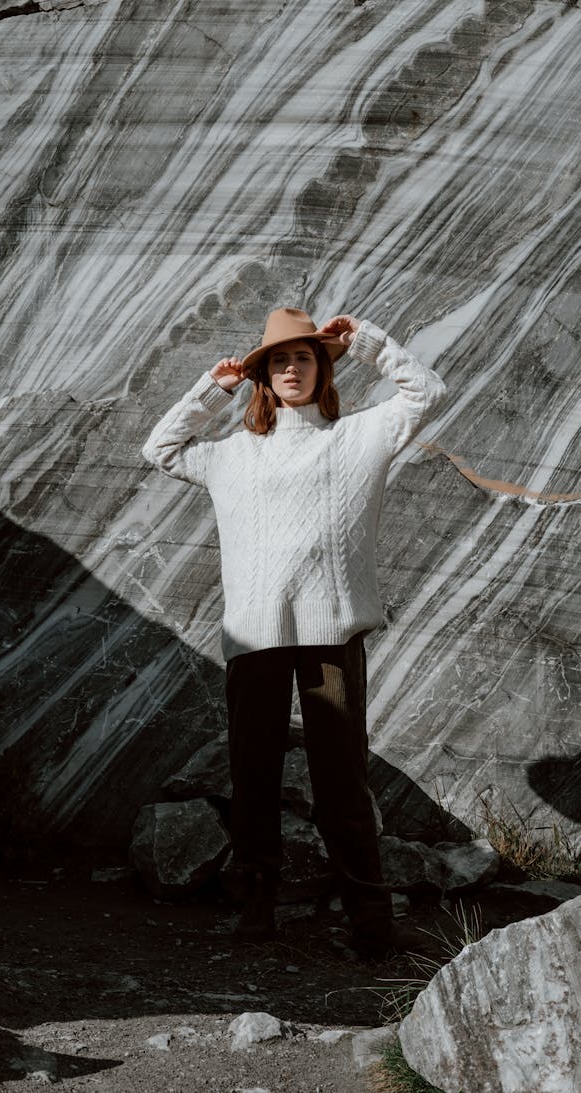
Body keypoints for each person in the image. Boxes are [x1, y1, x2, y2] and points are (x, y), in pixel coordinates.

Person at [142, 306, 446, 956]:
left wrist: (366, 341)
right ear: (264, 375)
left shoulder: (360, 436)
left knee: (342, 782)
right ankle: (256, 909)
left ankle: (372, 923)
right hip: (255, 640)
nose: (291, 368)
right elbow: (159, 448)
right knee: (253, 776)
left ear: (321, 367)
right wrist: (211, 388)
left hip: (332, 636)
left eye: (304, 357)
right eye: (279, 359)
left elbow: (429, 392)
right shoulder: (231, 455)